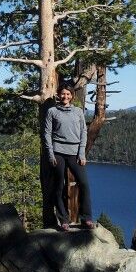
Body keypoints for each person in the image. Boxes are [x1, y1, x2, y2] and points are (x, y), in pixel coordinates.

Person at [43, 84, 95, 231]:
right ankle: (64, 220)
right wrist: (50, 153)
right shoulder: (52, 111)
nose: (65, 96)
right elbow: (47, 133)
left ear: (72, 96)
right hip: (58, 152)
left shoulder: (78, 111)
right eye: (63, 94)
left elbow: (83, 132)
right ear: (59, 95)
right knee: (58, 186)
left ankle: (86, 218)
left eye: (68, 94)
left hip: (74, 153)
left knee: (84, 184)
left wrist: (82, 153)